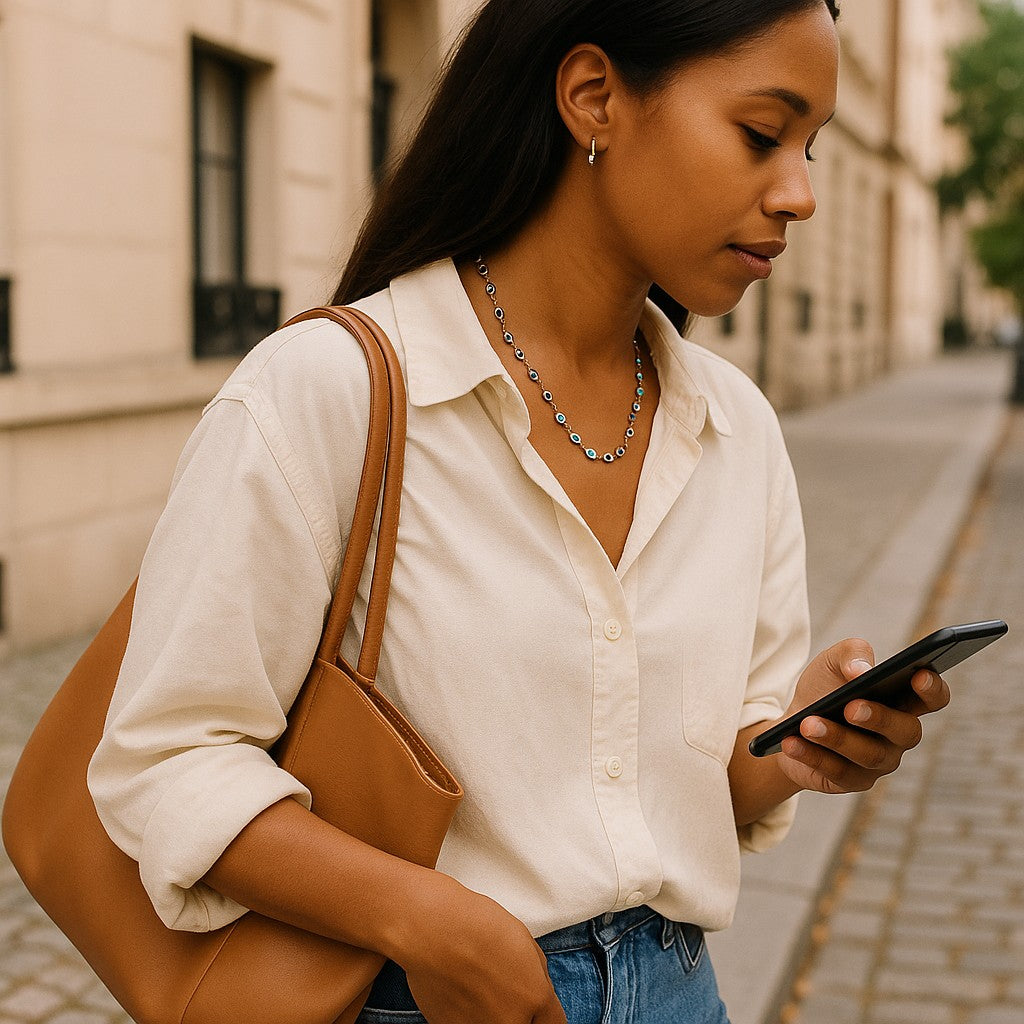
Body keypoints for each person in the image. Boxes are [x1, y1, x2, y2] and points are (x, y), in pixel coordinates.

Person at [87, 1, 951, 1022]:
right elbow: (165, 760)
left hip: (679, 992)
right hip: (421, 997)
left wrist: (794, 749)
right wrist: (428, 919)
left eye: (807, 148)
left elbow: (673, 795)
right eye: (762, 135)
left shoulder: (736, 430)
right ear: (593, 97)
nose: (800, 193)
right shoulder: (331, 388)